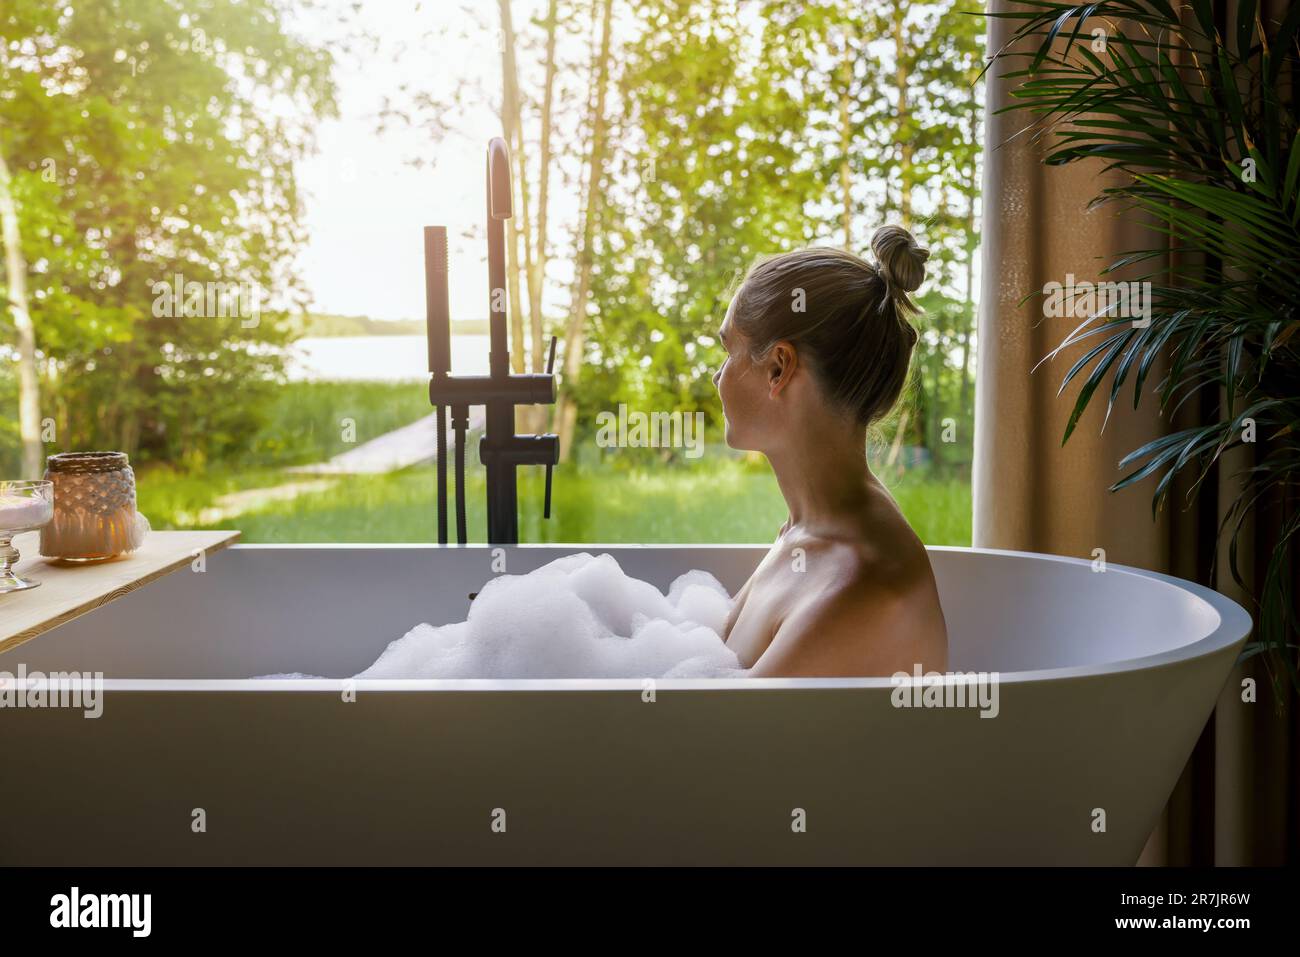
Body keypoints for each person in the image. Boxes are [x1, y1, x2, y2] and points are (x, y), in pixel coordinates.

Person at [713, 225, 949, 677]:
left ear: (778, 369)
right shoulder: (806, 532)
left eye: (729, 351)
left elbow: (716, 741)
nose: (718, 377)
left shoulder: (856, 581)